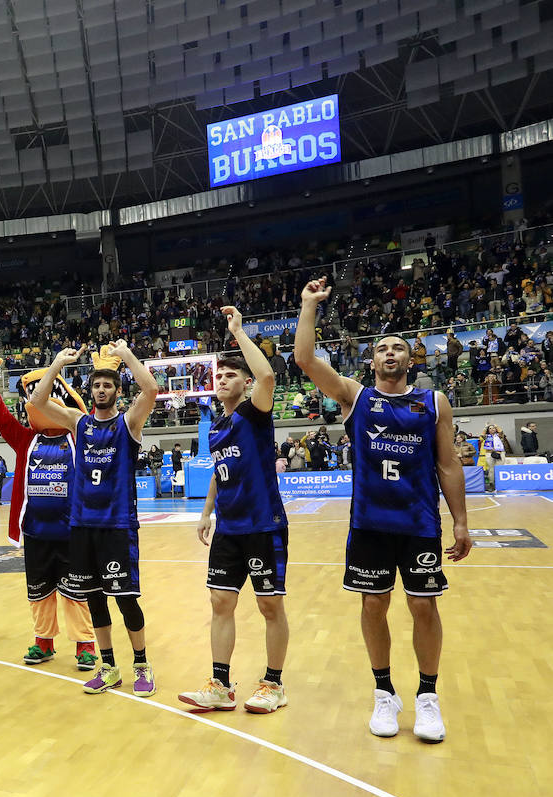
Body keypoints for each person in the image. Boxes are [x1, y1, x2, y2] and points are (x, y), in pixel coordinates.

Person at [296, 277, 471, 743]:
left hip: (418, 523)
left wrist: (461, 521)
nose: (390, 353)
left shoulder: (433, 402)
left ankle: (428, 697)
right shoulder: (357, 397)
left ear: (410, 359)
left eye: (398, 348)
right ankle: (384, 692)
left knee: (423, 607)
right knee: (374, 604)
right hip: (370, 524)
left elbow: (448, 464)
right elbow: (306, 360)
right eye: (382, 349)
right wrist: (307, 305)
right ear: (371, 361)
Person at [31, 340, 159, 697]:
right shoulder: (78, 421)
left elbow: (150, 389)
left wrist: (126, 356)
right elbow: (37, 403)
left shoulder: (129, 423)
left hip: (116, 525)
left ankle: (142, 664)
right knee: (95, 599)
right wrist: (56, 363)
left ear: (117, 391)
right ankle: (108, 666)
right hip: (82, 525)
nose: (101, 390)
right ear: (89, 392)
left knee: (126, 599)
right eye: (96, 386)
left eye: (107, 386)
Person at [181, 306, 290, 715]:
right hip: (229, 528)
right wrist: (206, 512)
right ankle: (221, 686)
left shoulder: (254, 413)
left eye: (230, 375)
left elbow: (267, 377)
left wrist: (239, 333)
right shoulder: (216, 427)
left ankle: (274, 684)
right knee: (220, 603)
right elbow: (218, 472)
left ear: (244, 384)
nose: (222, 379)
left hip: (264, 525)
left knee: (269, 606)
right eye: (219, 375)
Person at [0, 350, 97, 668]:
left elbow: (98, 421)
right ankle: (44, 642)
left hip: (71, 530)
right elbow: (0, 416)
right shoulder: (26, 439)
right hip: (36, 531)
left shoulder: (78, 436)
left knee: (76, 592)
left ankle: (85, 645)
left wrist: (102, 375)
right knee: (39, 590)